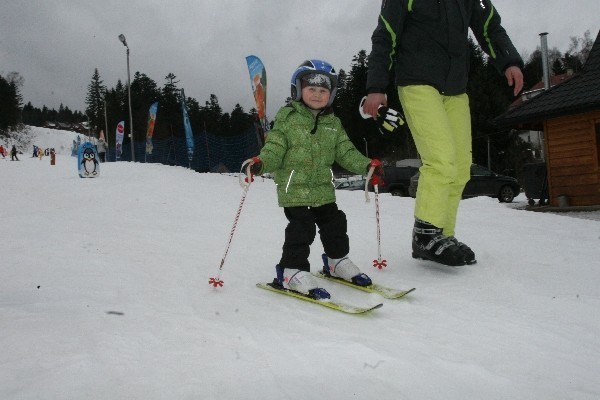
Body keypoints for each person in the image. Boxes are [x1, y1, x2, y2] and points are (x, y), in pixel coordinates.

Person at [363, 0, 523, 267]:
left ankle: (443, 235)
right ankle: (426, 233)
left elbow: (488, 26)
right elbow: (386, 35)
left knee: (460, 166)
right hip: (417, 82)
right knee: (440, 159)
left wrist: (509, 61)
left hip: (455, 88)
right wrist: (376, 86)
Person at [248, 59, 383, 298]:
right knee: (302, 227)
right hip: (294, 188)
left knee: (335, 223)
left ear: (330, 95)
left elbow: (346, 151)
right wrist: (260, 164)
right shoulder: (287, 119)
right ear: (298, 90)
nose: (317, 94)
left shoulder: (333, 123)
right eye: (311, 89)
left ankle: (336, 261)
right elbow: (275, 148)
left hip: (322, 186)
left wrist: (366, 166)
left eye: (323, 90)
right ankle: (292, 271)